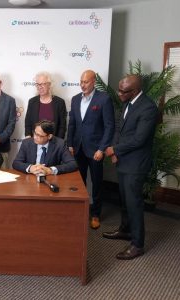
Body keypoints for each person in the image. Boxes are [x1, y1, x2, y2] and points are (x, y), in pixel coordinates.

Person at [103, 75, 158, 260]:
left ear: (134, 91)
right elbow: (119, 129)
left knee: (134, 203)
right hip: (123, 160)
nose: (119, 94)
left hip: (136, 164)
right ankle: (125, 230)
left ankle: (137, 244)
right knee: (124, 200)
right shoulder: (128, 102)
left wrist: (114, 149)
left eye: (122, 91)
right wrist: (115, 152)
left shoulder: (148, 108)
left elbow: (139, 139)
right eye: (118, 89)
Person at [67, 70, 115, 230]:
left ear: (94, 81)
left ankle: (95, 214)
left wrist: (102, 149)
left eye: (86, 82)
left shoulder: (104, 99)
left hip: (96, 150)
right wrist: (70, 144)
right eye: (81, 81)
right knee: (78, 183)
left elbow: (109, 126)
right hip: (78, 148)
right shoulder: (74, 99)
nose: (82, 85)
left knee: (96, 183)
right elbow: (72, 124)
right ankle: (78, 211)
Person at [13, 120, 77, 175]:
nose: (35, 137)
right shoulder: (26, 143)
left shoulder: (60, 144)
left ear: (49, 136)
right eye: (35, 133)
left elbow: (73, 164)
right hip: (30, 178)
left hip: (50, 179)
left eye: (39, 135)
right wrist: (30, 168)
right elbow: (16, 163)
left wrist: (50, 170)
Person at [24, 72, 67, 139]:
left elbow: (62, 126)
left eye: (43, 84)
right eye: (38, 84)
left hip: (54, 143)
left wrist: (58, 142)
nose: (40, 87)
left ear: (49, 85)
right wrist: (28, 138)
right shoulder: (32, 102)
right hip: (35, 142)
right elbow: (28, 123)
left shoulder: (60, 102)